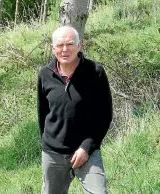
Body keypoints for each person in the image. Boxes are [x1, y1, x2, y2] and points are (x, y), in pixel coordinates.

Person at [37, 26, 113, 194]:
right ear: (53, 48)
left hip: (86, 150)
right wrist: (48, 144)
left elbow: (105, 115)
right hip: (53, 153)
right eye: (60, 45)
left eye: (70, 44)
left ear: (79, 46)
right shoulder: (45, 74)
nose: (65, 49)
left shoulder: (95, 72)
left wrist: (87, 147)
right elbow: (42, 114)